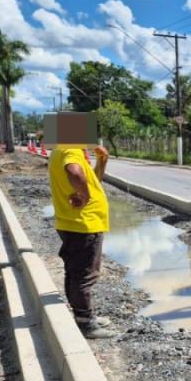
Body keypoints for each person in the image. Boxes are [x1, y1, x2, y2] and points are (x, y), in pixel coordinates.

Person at [49, 144, 115, 338]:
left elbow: (92, 181)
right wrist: (85, 196)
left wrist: (102, 161)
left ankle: (83, 316)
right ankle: (87, 325)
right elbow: (74, 172)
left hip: (71, 222)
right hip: (83, 224)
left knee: (74, 272)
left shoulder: (61, 150)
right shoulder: (70, 149)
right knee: (84, 275)